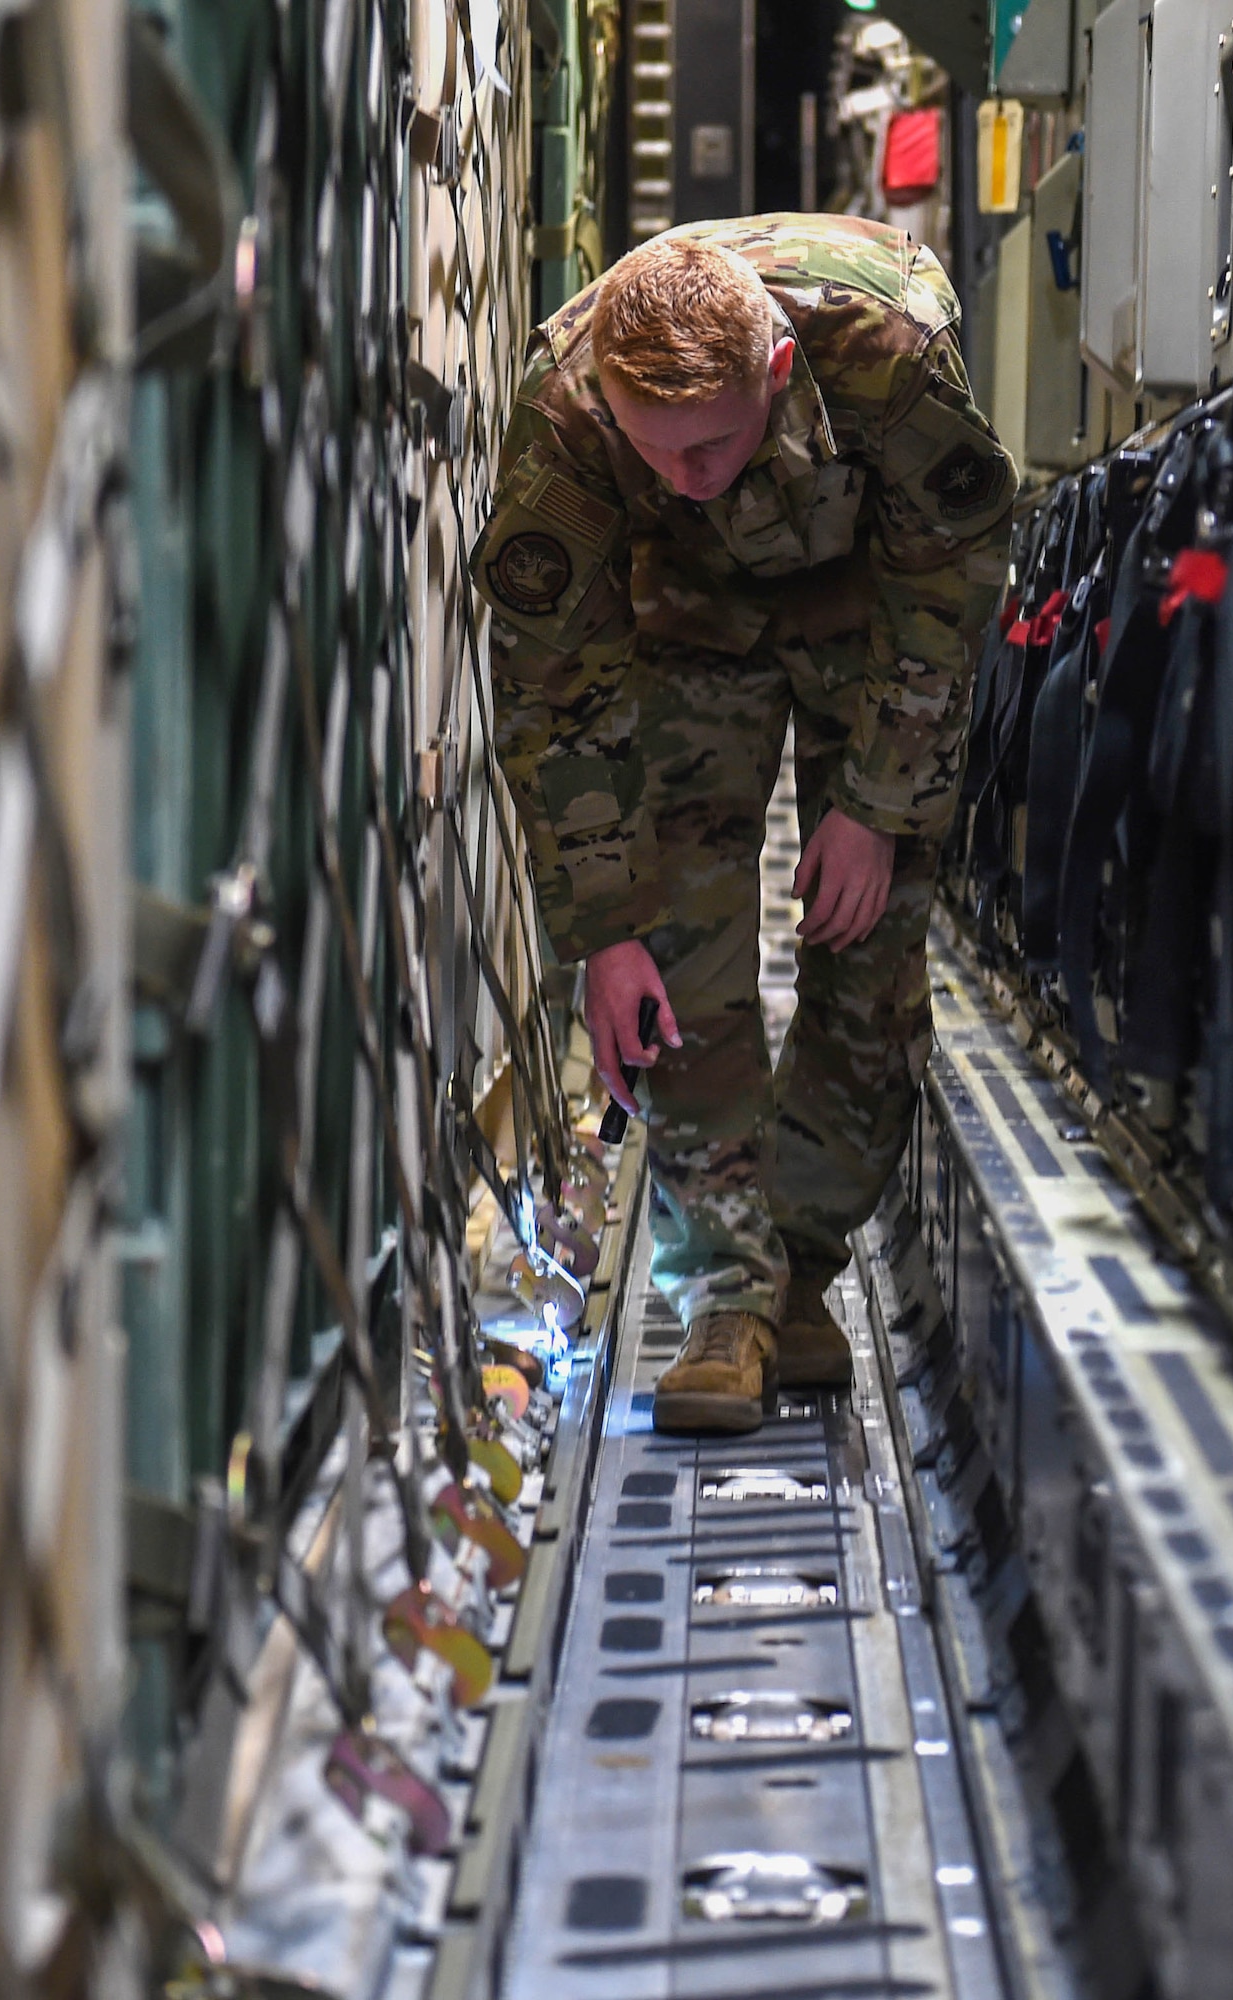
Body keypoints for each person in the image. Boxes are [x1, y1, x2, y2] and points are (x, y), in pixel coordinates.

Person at [469, 214, 1016, 1435]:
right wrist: (603, 931)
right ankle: (726, 1290)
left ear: (771, 375)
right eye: (652, 450)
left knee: (867, 951)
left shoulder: (885, 350)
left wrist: (875, 802)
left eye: (710, 445)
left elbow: (949, 585)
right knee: (673, 957)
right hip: (679, 631)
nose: (685, 477)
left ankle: (800, 1270)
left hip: (867, 614)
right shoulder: (564, 418)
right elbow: (554, 690)